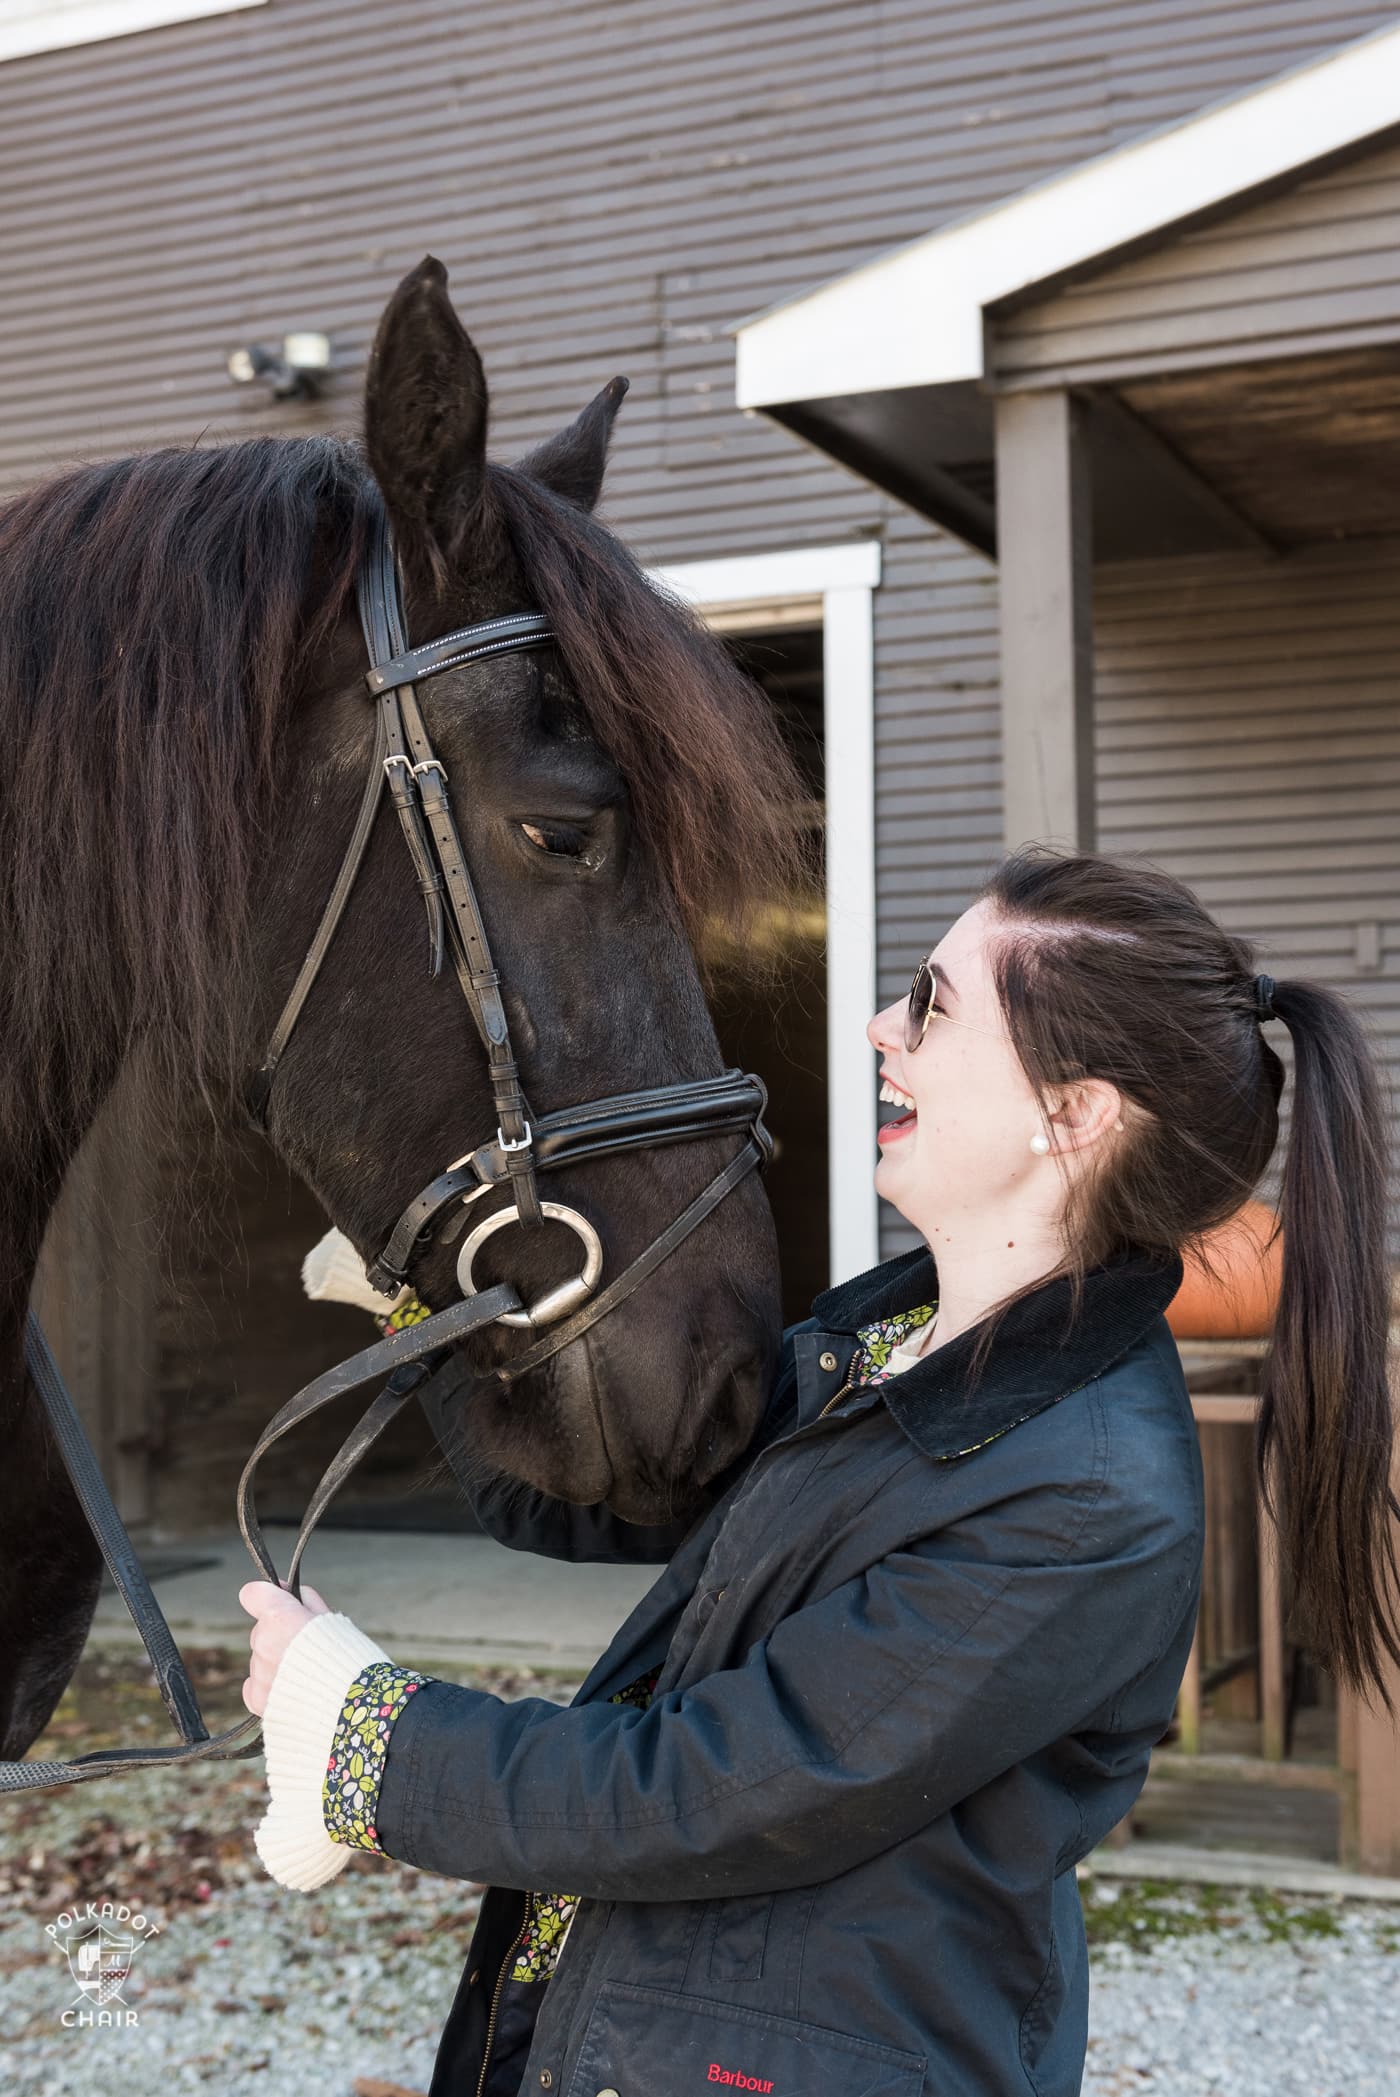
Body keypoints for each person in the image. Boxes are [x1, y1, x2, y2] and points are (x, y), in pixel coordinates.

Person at [240, 845, 1399, 2097]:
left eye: (931, 1005)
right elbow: (600, 1493)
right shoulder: (879, 1347)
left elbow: (704, 1789)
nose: (877, 1027)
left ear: (1068, 1114)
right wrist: (431, 1313)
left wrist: (371, 1736)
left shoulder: (1082, 1500)